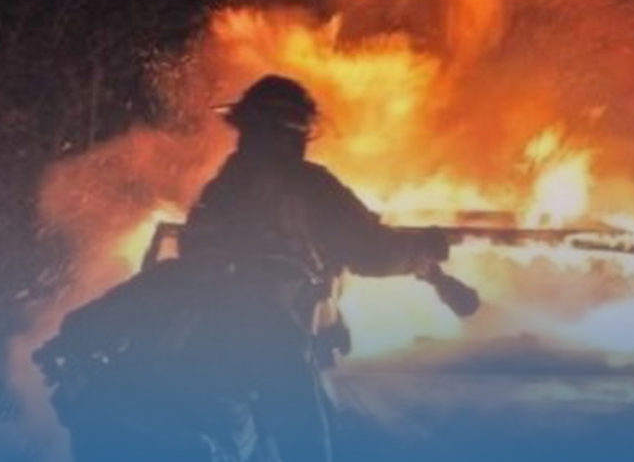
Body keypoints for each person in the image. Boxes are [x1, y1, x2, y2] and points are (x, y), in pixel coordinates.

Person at [35, 75, 452, 462]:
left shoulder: (224, 187)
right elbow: (370, 250)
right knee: (302, 432)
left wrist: (76, 336)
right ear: (294, 131)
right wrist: (425, 248)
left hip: (194, 351)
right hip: (260, 338)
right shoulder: (303, 184)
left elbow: (171, 274)